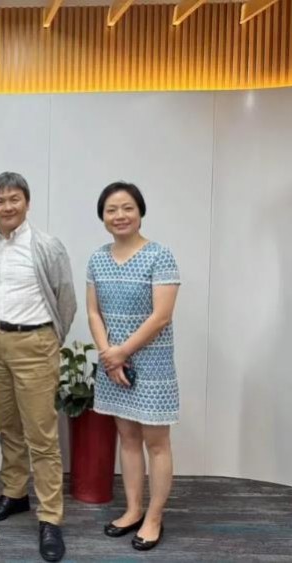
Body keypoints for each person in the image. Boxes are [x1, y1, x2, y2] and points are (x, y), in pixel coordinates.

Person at [0, 172, 76, 562]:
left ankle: (50, 516)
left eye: (14, 199)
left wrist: (49, 340)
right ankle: (15, 493)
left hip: (35, 342)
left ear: (27, 202)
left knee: (42, 436)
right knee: (8, 426)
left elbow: (65, 299)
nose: (7, 207)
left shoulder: (47, 246)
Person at [86, 181, 181, 551]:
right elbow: (94, 312)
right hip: (114, 364)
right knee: (126, 439)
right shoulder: (97, 258)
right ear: (102, 217)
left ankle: (154, 517)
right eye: (111, 210)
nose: (120, 215)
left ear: (140, 212)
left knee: (156, 443)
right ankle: (133, 509)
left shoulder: (160, 255)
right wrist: (108, 355)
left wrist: (121, 352)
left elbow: (161, 316)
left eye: (127, 207)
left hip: (152, 365)